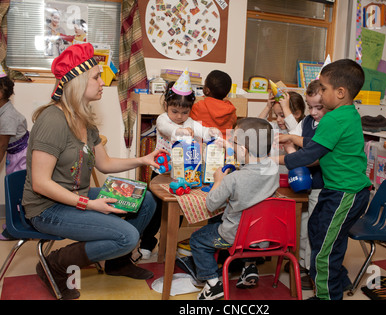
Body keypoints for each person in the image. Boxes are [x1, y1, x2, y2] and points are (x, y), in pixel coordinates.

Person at [22, 43, 164, 300]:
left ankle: (117, 263)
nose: (102, 82)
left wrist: (143, 159)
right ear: (77, 82)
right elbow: (41, 183)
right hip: (47, 207)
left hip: (77, 194)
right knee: (128, 236)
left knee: (147, 200)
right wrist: (90, 204)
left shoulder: (83, 119)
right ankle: (54, 265)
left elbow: (105, 164)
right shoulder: (52, 120)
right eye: (97, 77)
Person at [278, 59, 371, 300]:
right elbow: (317, 145)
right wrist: (292, 142)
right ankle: (331, 289)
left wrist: (271, 161)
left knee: (323, 252)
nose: (322, 93)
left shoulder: (334, 118)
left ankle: (327, 296)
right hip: (340, 190)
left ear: (340, 92)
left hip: (345, 193)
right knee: (320, 233)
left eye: (324, 89)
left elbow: (311, 155)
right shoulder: (347, 114)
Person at [190, 117, 279, 300]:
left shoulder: (234, 179)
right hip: (262, 238)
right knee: (248, 223)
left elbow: (211, 204)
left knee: (197, 240)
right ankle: (250, 267)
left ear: (243, 150)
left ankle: (213, 284)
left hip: (233, 237)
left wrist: (218, 182)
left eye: (234, 142)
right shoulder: (273, 170)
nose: (231, 144)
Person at [138, 69, 219, 259]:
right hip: (161, 172)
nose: (179, 116)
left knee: (179, 209)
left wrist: (211, 133)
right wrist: (181, 131)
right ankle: (148, 242)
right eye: (175, 111)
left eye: (184, 112)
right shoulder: (163, 119)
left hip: (182, 173)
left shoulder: (190, 121)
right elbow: (168, 128)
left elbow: (202, 130)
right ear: (166, 105)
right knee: (156, 210)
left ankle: (170, 242)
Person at [277, 79, 328, 290]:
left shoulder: (328, 125)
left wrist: (287, 152)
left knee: (313, 227)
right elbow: (293, 132)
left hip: (319, 184)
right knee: (303, 224)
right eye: (311, 107)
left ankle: (309, 269)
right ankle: (302, 264)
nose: (314, 112)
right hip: (305, 183)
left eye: (319, 107)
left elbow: (311, 155)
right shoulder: (307, 122)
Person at [0, 72, 29, 240]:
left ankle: (16, 228)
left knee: (18, 191)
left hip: (22, 156)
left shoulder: (8, 116)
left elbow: (2, 145)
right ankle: (14, 224)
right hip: (15, 153)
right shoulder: (3, 110)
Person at [190, 69, 237, 139]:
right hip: (224, 146)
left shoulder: (199, 106)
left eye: (205, 84)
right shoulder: (230, 109)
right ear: (227, 93)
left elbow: (188, 121)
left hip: (204, 146)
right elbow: (233, 122)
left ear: (207, 91)